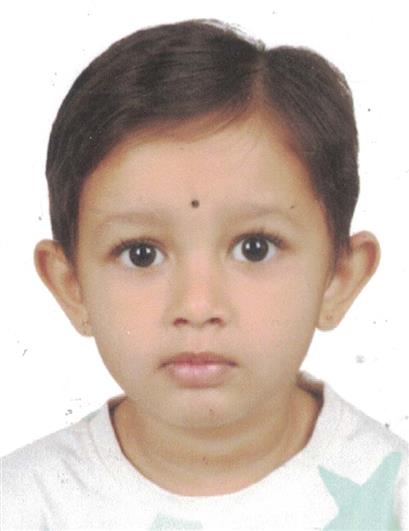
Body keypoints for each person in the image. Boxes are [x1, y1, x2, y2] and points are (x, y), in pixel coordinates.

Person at [2, 18, 407, 530]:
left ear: (339, 277)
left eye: (255, 249)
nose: (197, 306)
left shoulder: (392, 499)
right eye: (141, 254)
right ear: (71, 286)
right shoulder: (22, 506)